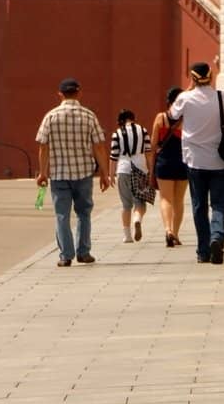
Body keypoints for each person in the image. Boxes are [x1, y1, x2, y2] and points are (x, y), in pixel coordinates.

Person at [170, 59, 224, 265]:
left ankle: (203, 251)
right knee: (219, 203)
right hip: (220, 161)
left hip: (194, 161)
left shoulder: (185, 98)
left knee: (199, 206)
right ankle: (217, 236)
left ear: (192, 78)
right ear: (211, 76)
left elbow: (172, 115)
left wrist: (189, 89)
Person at [35, 77, 110, 267]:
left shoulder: (50, 116)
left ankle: (65, 255)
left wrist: (43, 173)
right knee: (84, 213)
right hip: (83, 173)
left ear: (60, 94)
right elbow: (99, 146)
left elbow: (43, 147)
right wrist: (104, 172)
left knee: (62, 215)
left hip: (59, 174)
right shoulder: (88, 115)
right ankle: (84, 252)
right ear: (79, 93)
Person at [149, 86, 188, 248]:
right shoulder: (186, 119)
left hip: (164, 163)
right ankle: (176, 234)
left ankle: (168, 230)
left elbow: (152, 145)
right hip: (183, 162)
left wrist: (151, 168)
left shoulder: (161, 118)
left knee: (166, 198)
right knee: (179, 199)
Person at [109, 108, 152, 243]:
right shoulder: (142, 130)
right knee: (140, 203)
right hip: (140, 168)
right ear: (133, 118)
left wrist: (111, 175)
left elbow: (113, 156)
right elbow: (149, 152)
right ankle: (137, 219)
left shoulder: (117, 133)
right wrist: (150, 170)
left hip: (123, 169)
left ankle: (127, 236)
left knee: (126, 205)